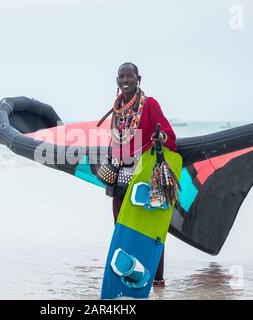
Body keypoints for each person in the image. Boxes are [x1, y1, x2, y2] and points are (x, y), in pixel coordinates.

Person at [102, 62, 177, 287]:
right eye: (121, 77)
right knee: (122, 229)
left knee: (149, 229)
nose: (126, 81)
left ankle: (157, 280)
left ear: (139, 79)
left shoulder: (150, 105)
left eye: (130, 77)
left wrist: (159, 139)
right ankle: (128, 276)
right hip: (119, 179)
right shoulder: (117, 108)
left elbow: (170, 136)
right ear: (117, 81)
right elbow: (115, 140)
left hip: (143, 177)